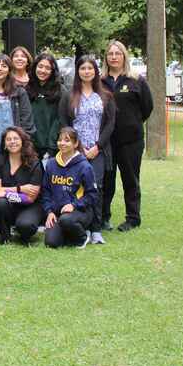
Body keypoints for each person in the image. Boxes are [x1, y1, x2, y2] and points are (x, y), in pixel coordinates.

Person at [58, 54, 115, 244]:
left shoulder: (105, 96)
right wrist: (76, 148)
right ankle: (80, 224)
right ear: (78, 72)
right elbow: (64, 122)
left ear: (96, 71)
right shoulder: (69, 95)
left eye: (90, 68)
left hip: (97, 151)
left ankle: (96, 228)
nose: (86, 71)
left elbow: (110, 124)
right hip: (75, 152)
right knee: (75, 189)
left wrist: (97, 147)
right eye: (83, 68)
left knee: (95, 188)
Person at [101, 40, 153, 232]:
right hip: (106, 141)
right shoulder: (100, 81)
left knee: (131, 180)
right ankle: (103, 217)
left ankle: (132, 218)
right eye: (110, 54)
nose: (114, 57)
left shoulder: (136, 80)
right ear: (106, 58)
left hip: (131, 141)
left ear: (124, 56)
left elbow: (147, 108)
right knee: (107, 180)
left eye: (118, 53)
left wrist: (131, 123)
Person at [42, 127, 98, 248]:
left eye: (67, 140)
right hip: (58, 213)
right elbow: (46, 191)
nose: (62, 143)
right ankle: (68, 233)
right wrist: (49, 212)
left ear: (75, 143)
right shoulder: (51, 164)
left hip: (80, 211)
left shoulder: (85, 166)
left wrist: (74, 205)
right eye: (60, 140)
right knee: (51, 242)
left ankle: (83, 236)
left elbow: (92, 195)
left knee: (66, 220)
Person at [0, 127, 44, 245]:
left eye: (16, 138)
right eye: (8, 139)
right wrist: (20, 189)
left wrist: (6, 193)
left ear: (23, 141)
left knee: (25, 226)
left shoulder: (34, 163)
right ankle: (5, 236)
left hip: (30, 207)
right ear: (4, 144)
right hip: (7, 206)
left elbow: (30, 199)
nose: (12, 142)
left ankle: (21, 231)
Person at [27, 53, 65, 158]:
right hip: (30, 146)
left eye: (48, 68)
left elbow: (60, 119)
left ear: (53, 71)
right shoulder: (27, 89)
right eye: (40, 66)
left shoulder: (61, 91)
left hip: (53, 148)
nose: (43, 71)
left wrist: (52, 145)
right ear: (35, 67)